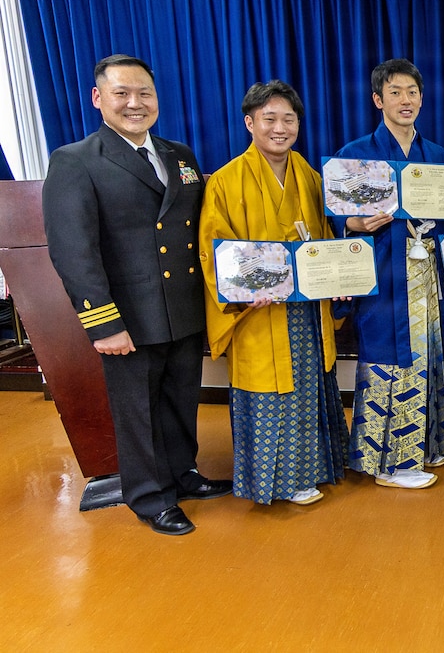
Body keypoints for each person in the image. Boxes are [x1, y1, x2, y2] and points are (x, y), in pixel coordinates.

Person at [42, 54, 230, 536]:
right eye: (122, 93)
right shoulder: (76, 160)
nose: (134, 103)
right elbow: (74, 252)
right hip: (129, 315)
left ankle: (182, 475)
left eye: (144, 92)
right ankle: (149, 496)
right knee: (138, 410)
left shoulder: (179, 155)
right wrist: (104, 324)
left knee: (179, 399)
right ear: (97, 98)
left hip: (183, 309)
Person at [199, 80, 348, 506]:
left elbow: (325, 240)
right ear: (250, 123)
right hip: (258, 312)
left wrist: (338, 282)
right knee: (271, 392)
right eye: (269, 119)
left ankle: (313, 471)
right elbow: (215, 252)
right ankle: (276, 482)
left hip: (306, 309)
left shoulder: (310, 175)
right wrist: (244, 291)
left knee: (308, 387)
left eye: (288, 119)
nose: (279, 128)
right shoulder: (226, 181)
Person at [332, 59, 444, 490]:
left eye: (412, 92)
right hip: (385, 273)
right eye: (395, 93)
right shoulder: (355, 155)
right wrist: (352, 225)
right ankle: (389, 463)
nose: (405, 100)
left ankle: (423, 446)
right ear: (377, 100)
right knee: (388, 357)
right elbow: (333, 216)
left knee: (425, 355)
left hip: (425, 272)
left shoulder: (437, 156)